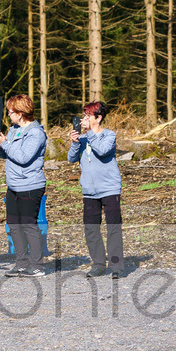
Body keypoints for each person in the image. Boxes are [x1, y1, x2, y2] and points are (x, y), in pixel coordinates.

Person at [0, 93, 47, 278]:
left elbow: (23, 157)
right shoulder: (14, 130)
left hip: (30, 185)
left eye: (11, 111)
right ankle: (21, 263)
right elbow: (7, 153)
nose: (8, 114)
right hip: (13, 185)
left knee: (29, 225)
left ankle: (37, 265)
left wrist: (5, 144)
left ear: (20, 113)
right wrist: (1, 145)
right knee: (14, 225)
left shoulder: (36, 133)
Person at [68, 100, 124, 278]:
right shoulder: (84, 138)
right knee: (91, 229)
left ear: (98, 118)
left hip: (109, 188)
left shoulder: (109, 135)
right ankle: (98, 264)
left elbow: (102, 150)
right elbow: (71, 158)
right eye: (84, 116)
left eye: (88, 116)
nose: (84, 119)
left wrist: (89, 133)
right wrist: (75, 142)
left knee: (113, 228)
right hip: (89, 191)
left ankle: (116, 267)